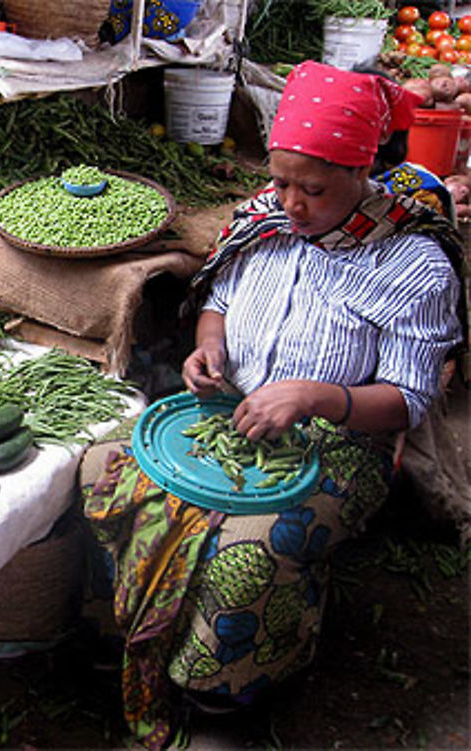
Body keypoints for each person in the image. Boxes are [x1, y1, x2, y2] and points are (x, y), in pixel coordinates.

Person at [80, 59, 466, 750]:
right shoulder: (264, 220)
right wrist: (208, 351)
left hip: (339, 443)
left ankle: (221, 698)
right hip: (233, 409)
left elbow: (407, 399)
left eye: (313, 189)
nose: (289, 202)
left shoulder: (412, 262)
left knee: (242, 549)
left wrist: (315, 396)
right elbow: (219, 303)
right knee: (109, 473)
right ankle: (142, 638)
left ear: (362, 171)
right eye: (281, 180)